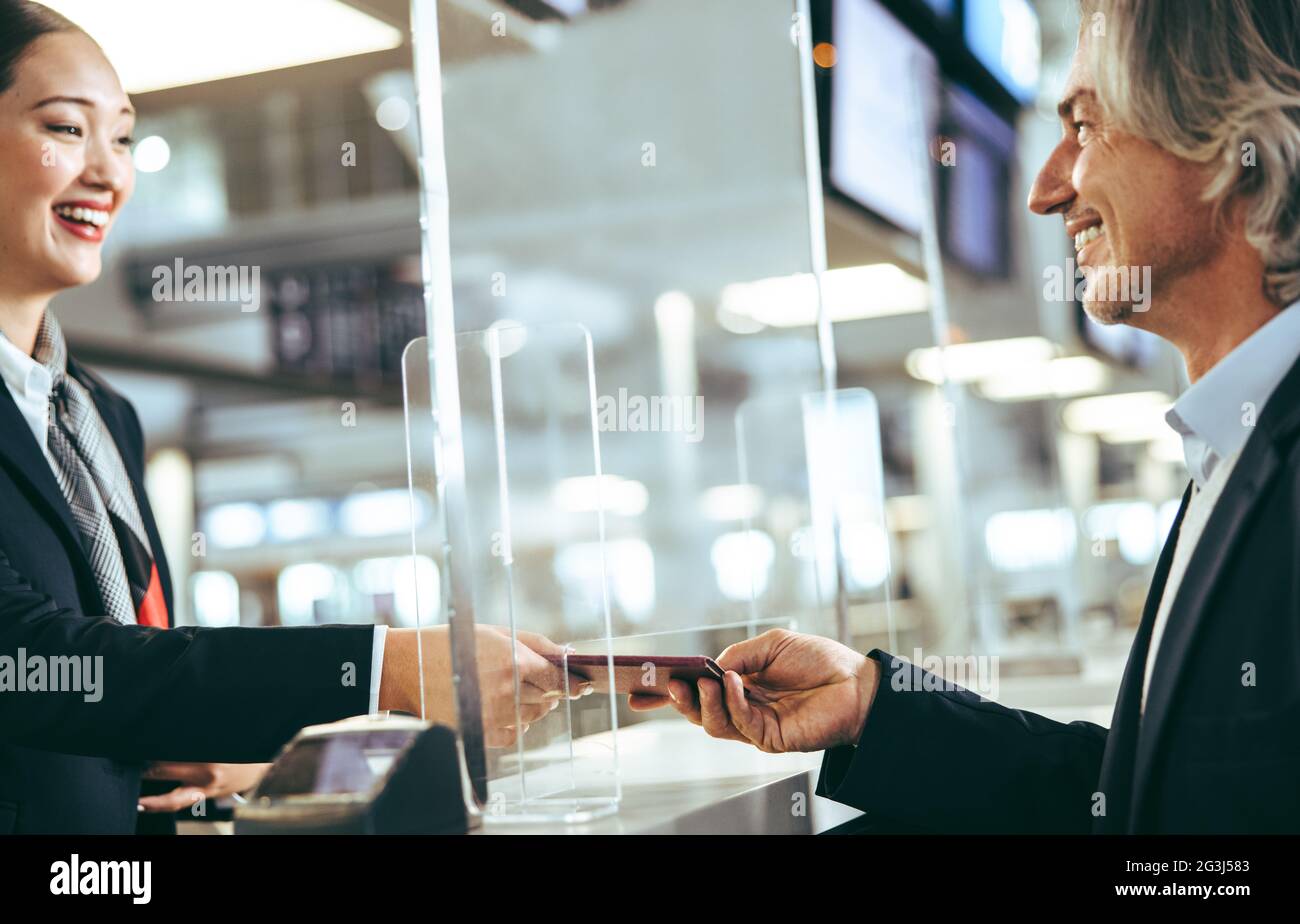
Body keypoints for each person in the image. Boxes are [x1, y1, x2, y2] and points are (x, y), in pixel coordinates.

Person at [634, 0, 1300, 834]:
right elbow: (1150, 804)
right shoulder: (1232, 446)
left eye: (1085, 127)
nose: (1045, 187)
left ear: (1231, 138)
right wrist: (877, 708)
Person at [0, 0, 582, 835]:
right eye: (66, 128)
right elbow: (32, 662)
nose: (108, 173)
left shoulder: (101, 414)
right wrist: (381, 669)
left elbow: (142, 658)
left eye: (123, 138)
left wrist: (223, 745)